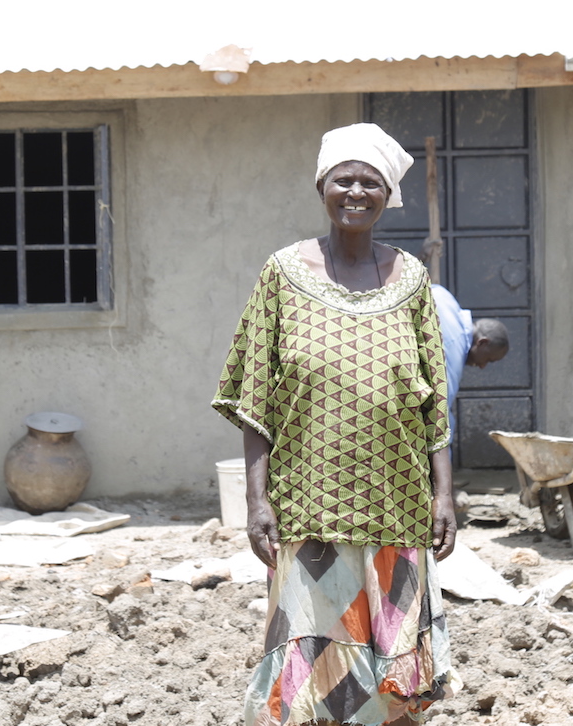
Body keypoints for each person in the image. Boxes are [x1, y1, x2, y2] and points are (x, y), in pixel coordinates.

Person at [213, 122, 460, 726]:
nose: (356, 192)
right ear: (321, 186)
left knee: (393, 665)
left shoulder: (410, 280)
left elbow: (434, 403)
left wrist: (444, 494)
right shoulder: (282, 274)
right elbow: (253, 396)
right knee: (312, 667)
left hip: (397, 503)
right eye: (342, 179)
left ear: (387, 195)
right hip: (308, 504)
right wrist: (256, 500)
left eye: (369, 182)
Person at [430, 284, 510, 451]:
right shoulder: (452, 351)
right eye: (488, 359)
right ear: (482, 342)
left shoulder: (445, 296)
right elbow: (440, 415)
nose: (482, 366)